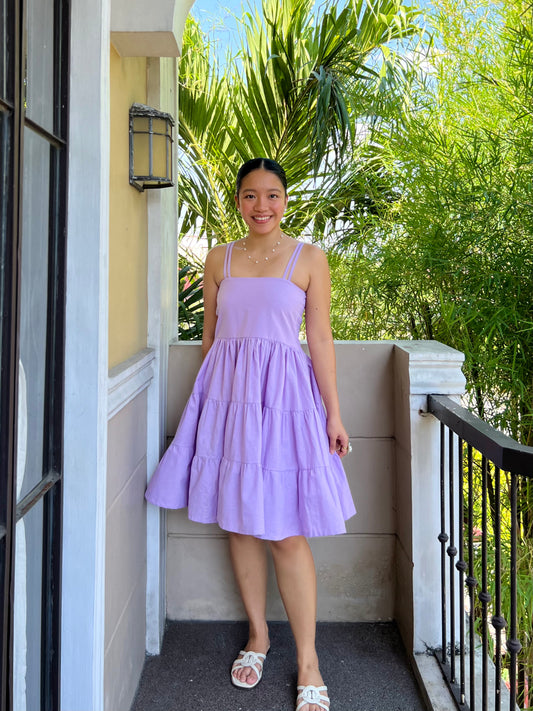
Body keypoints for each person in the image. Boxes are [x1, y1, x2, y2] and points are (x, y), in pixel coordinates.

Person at [145, 157, 356, 711]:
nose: (261, 205)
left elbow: (321, 341)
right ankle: (258, 636)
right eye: (249, 196)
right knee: (239, 522)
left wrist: (333, 414)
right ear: (237, 201)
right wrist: (200, 416)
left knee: (286, 531)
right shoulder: (220, 258)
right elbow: (212, 341)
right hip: (229, 403)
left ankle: (308, 660)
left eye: (272, 195)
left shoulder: (310, 259)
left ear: (286, 200)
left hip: (287, 404)